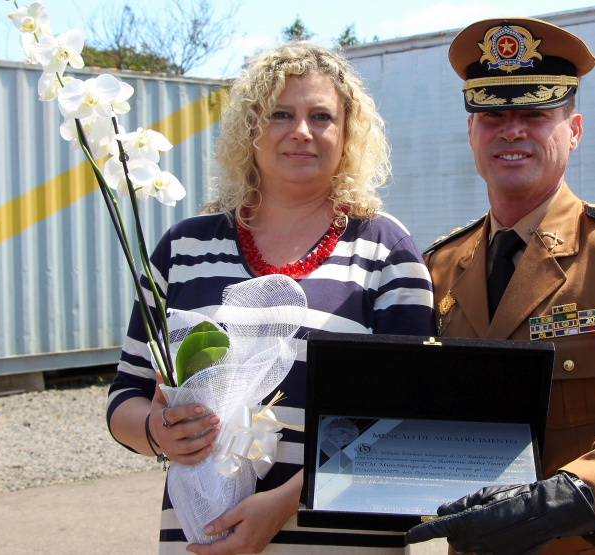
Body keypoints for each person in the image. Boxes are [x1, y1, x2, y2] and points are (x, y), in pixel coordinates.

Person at [106, 41, 435, 555]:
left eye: (321, 116)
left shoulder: (385, 249)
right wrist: (158, 431)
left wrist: (288, 502)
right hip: (203, 539)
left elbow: (410, 413)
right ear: (249, 129)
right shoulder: (184, 248)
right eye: (280, 113)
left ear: (347, 134)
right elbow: (125, 398)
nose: (300, 131)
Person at [405, 18, 595, 555]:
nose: (512, 130)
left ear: (573, 129)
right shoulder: (440, 265)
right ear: (472, 133)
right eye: (493, 115)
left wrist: (574, 496)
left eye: (535, 113)